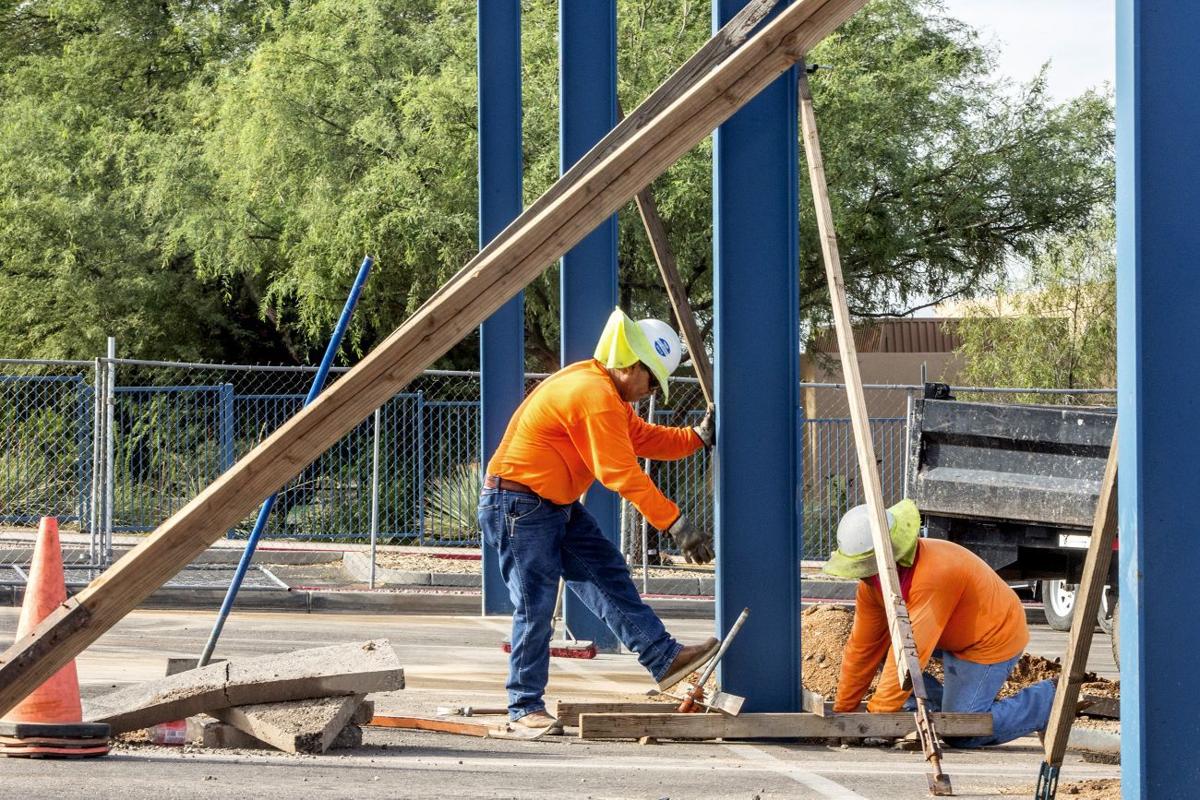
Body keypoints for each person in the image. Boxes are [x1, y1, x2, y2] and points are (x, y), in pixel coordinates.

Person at [478, 307, 720, 733]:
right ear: (631, 365)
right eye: (651, 381)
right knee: (535, 606)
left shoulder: (605, 390)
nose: (650, 393)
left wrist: (696, 437)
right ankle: (523, 705)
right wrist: (676, 525)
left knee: (607, 575)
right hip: (517, 503)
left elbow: (643, 438)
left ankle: (662, 658)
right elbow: (620, 473)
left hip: (550, 504)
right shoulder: (594, 393)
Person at [824, 499, 1056, 747]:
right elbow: (863, 647)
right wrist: (843, 712)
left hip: (991, 636)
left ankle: (1048, 700)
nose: (861, 575)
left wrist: (878, 718)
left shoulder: (933, 574)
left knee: (962, 732)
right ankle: (931, 708)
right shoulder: (872, 586)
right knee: (883, 651)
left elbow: (911, 652)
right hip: (948, 633)